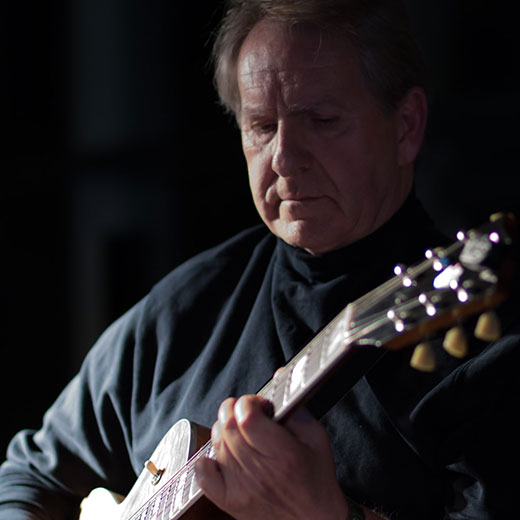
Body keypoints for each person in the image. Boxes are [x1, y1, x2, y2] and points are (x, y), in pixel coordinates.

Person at [1, 0, 518, 519]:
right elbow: (29, 474)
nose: (285, 158)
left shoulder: (488, 351)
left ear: (406, 125)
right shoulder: (183, 309)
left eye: (321, 120)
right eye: (263, 126)